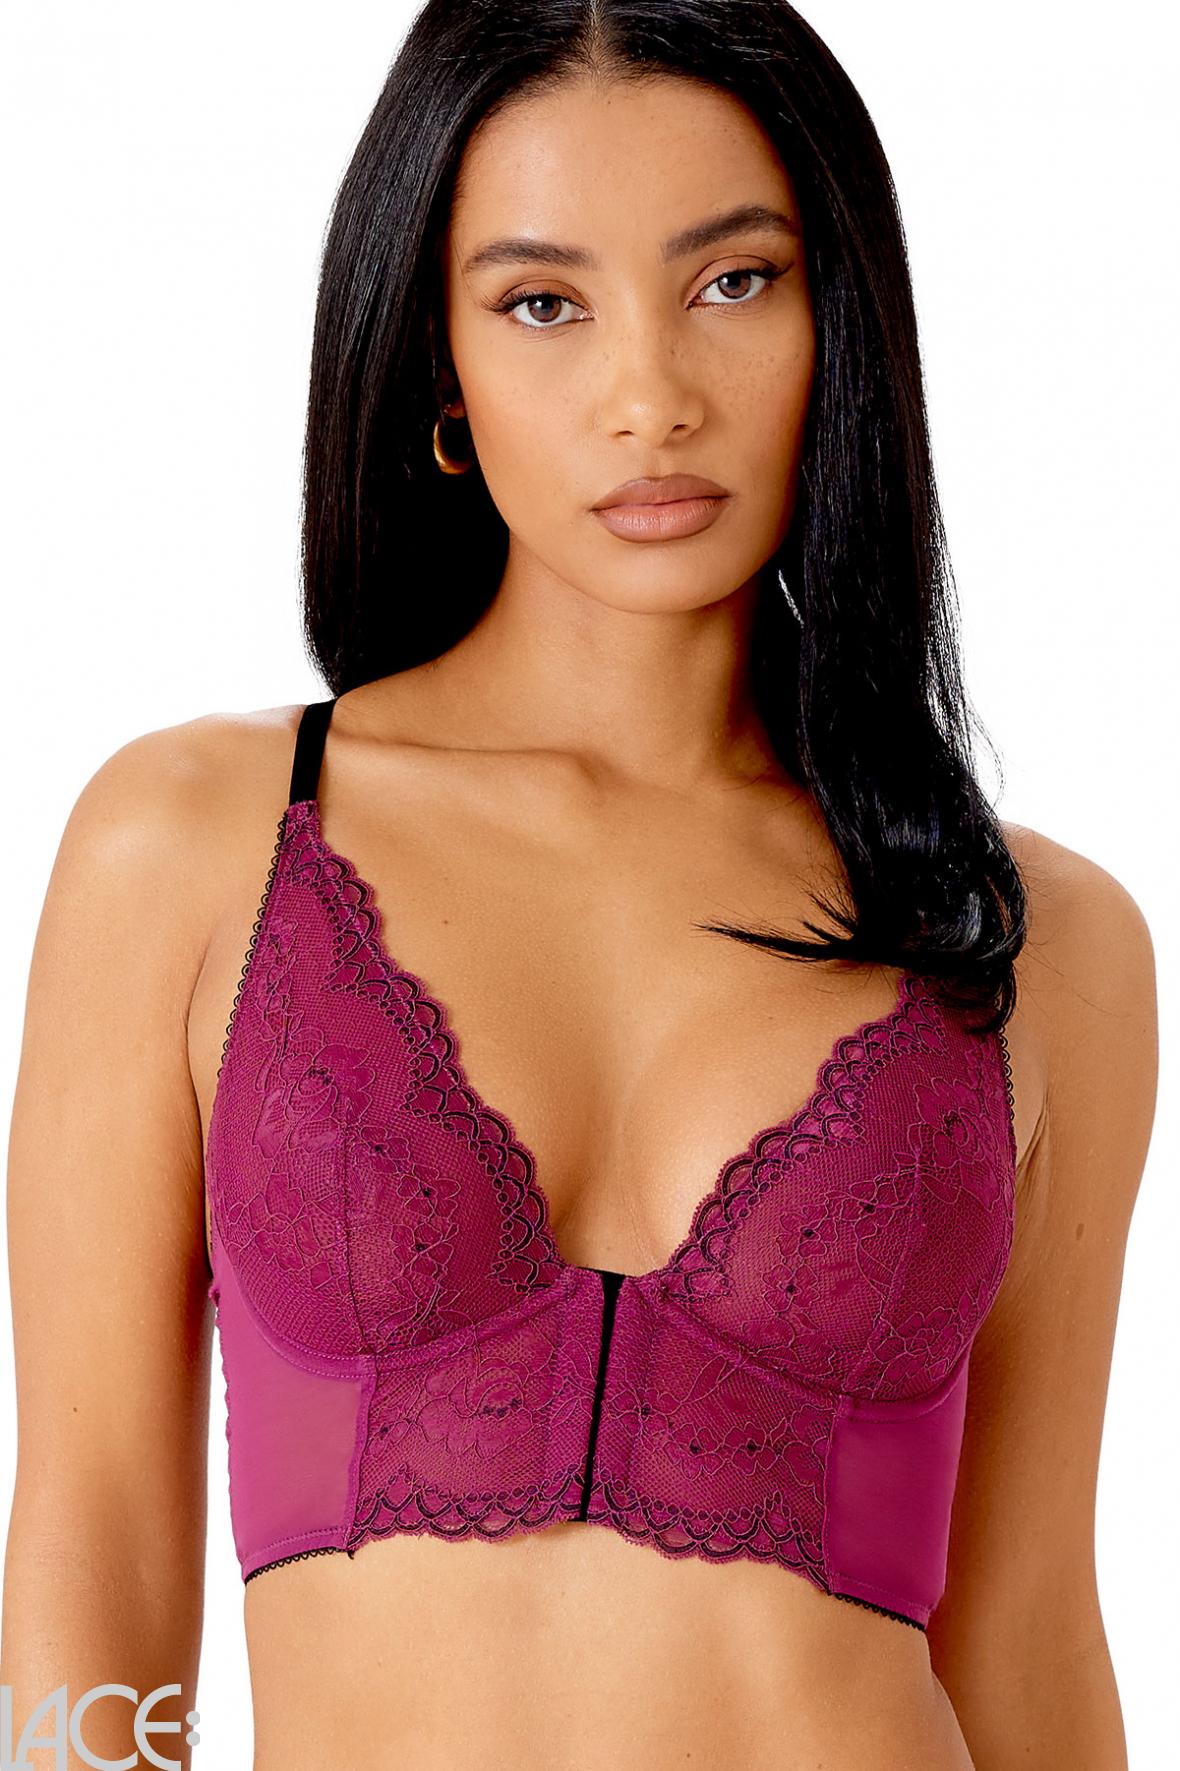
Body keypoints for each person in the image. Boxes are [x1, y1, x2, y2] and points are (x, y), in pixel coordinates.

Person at [1, 3, 1157, 1767]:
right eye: (545, 303)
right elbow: (93, 1547)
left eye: (734, 282)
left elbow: (1029, 1635)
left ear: (842, 322)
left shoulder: (1036, 943)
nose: (651, 397)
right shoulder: (198, 845)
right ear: (439, 365)